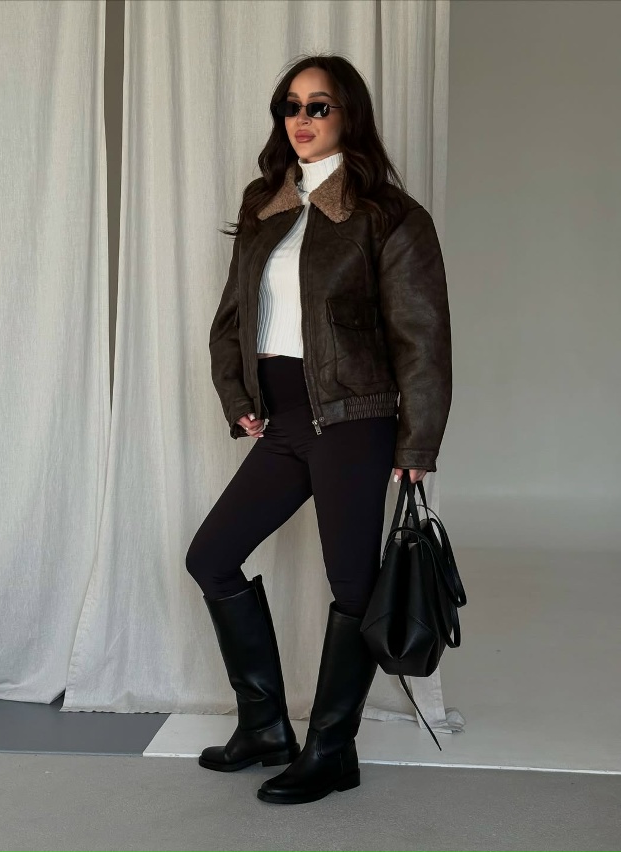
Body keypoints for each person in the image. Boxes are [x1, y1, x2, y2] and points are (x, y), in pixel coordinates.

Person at [185, 53, 452, 805]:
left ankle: (332, 749)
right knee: (211, 558)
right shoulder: (265, 204)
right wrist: (236, 393)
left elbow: (422, 338)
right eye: (291, 106)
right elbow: (232, 318)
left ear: (348, 115)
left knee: (352, 585)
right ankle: (266, 728)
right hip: (283, 422)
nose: (301, 120)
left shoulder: (388, 216)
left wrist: (417, 443)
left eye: (319, 106)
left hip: (354, 421)